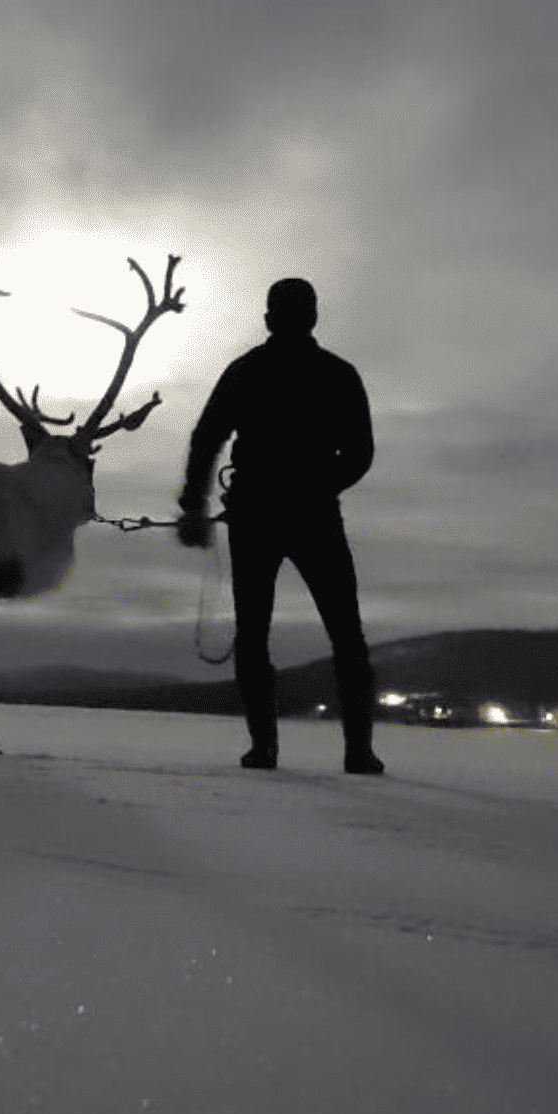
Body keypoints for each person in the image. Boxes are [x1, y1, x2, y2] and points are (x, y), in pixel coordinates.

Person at [176, 277, 384, 775]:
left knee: (256, 635)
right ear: (312, 318)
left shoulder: (247, 370)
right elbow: (359, 454)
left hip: (258, 514)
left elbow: (207, 439)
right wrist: (318, 485)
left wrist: (193, 506)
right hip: (308, 515)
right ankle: (357, 752)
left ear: (269, 319)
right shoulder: (337, 373)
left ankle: (265, 749)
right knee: (345, 635)